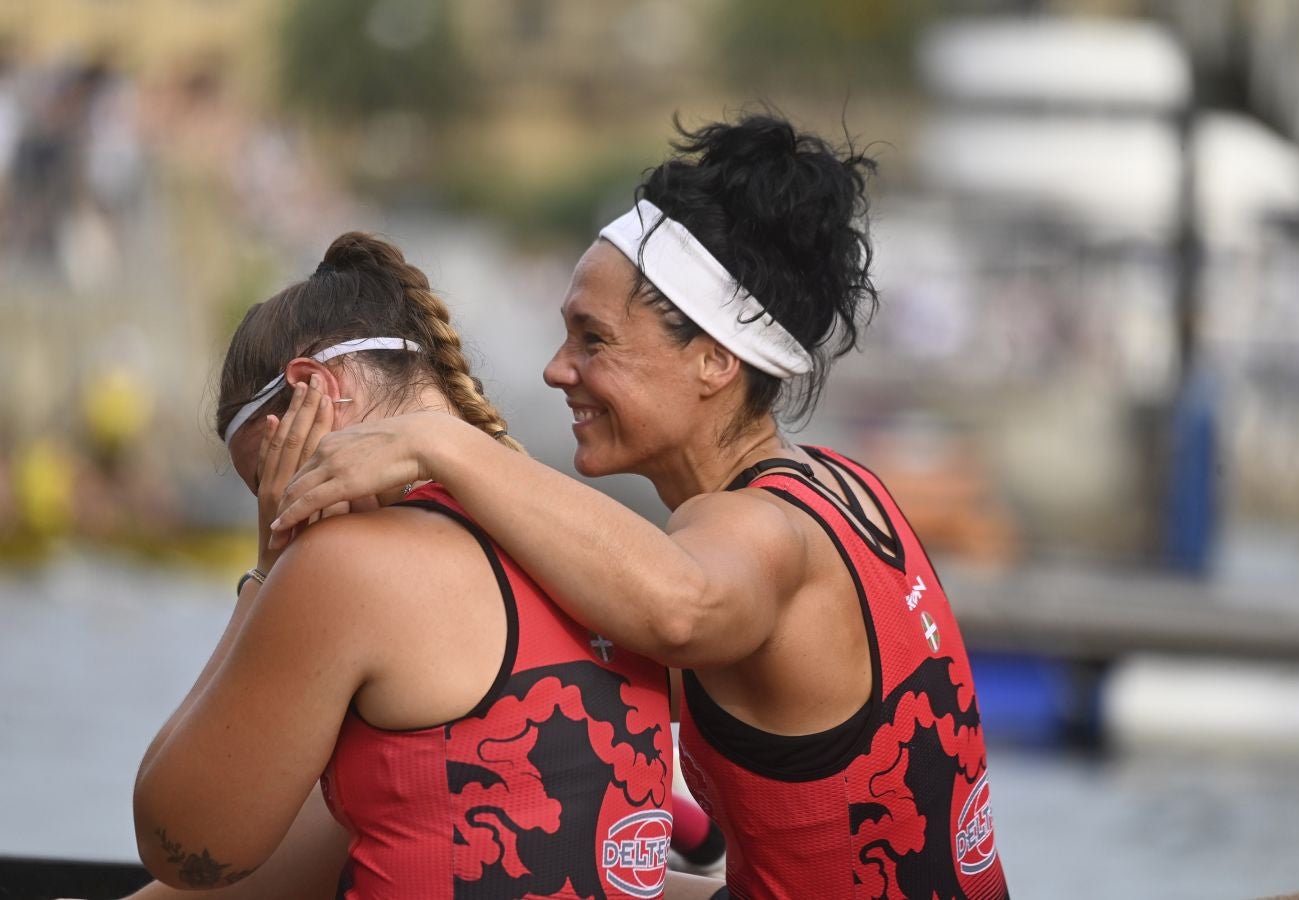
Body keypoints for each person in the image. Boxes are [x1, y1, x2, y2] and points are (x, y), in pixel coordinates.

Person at [272, 115, 1011, 899]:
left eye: (593, 340)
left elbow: (681, 610)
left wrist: (441, 446)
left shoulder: (755, 530)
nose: (557, 370)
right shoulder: (844, 485)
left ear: (714, 360)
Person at [132, 232, 723, 899]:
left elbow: (187, 844)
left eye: (269, 478)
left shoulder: (345, 567)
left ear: (312, 391)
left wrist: (271, 565)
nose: (279, 503)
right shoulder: (611, 553)